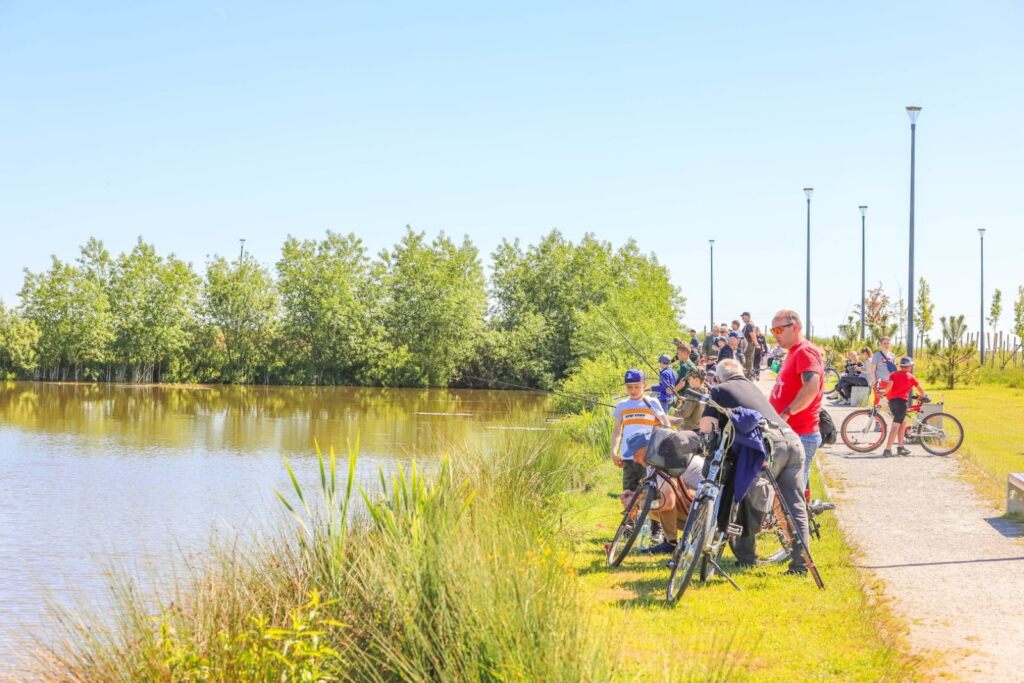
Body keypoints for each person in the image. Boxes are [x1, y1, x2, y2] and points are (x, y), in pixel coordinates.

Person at [700, 359, 811, 575]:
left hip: (768, 445)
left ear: (718, 378)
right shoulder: (753, 388)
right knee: (795, 505)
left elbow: (706, 427)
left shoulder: (720, 390)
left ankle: (746, 557)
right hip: (791, 438)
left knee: (744, 493)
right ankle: (801, 565)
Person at [767, 310, 824, 489]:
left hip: (800, 434)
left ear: (795, 327)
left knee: (791, 493)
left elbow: (812, 387)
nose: (775, 334)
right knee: (785, 491)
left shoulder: (805, 351)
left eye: (778, 330)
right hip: (790, 432)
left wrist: (786, 413)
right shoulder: (793, 352)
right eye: (772, 330)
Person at [610, 369, 669, 509]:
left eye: (637, 387)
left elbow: (666, 425)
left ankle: (652, 522)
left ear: (645, 385)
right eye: (629, 387)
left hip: (648, 458)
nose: (633, 390)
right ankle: (630, 521)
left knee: (650, 494)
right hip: (628, 457)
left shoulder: (652, 402)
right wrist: (613, 452)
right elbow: (617, 431)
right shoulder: (622, 405)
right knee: (628, 495)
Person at [881, 357, 927, 457]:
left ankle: (900, 448)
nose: (911, 368)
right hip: (901, 404)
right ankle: (887, 450)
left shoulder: (893, 375)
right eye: (911, 366)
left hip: (892, 403)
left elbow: (888, 389)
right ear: (908, 367)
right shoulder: (910, 377)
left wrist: (882, 392)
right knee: (895, 426)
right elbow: (920, 390)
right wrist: (923, 396)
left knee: (903, 423)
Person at [741, 312, 757, 377]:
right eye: (742, 318)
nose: (742, 319)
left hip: (749, 345)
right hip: (746, 345)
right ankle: (747, 375)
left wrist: (757, 344)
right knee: (746, 361)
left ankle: (748, 376)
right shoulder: (747, 325)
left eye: (743, 317)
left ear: (748, 317)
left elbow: (753, 335)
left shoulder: (750, 324)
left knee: (748, 361)